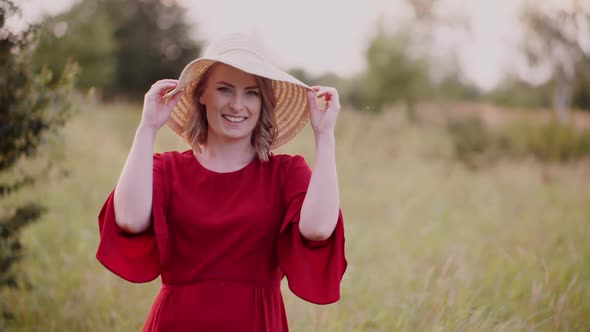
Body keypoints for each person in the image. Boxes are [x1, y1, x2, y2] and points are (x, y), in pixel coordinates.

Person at [96, 33, 346, 331]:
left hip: (257, 323)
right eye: (225, 89)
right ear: (201, 94)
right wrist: (148, 127)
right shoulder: (167, 169)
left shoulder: (286, 172)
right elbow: (128, 220)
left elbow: (318, 230)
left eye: (251, 93)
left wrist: (325, 136)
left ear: (263, 101)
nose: (237, 105)